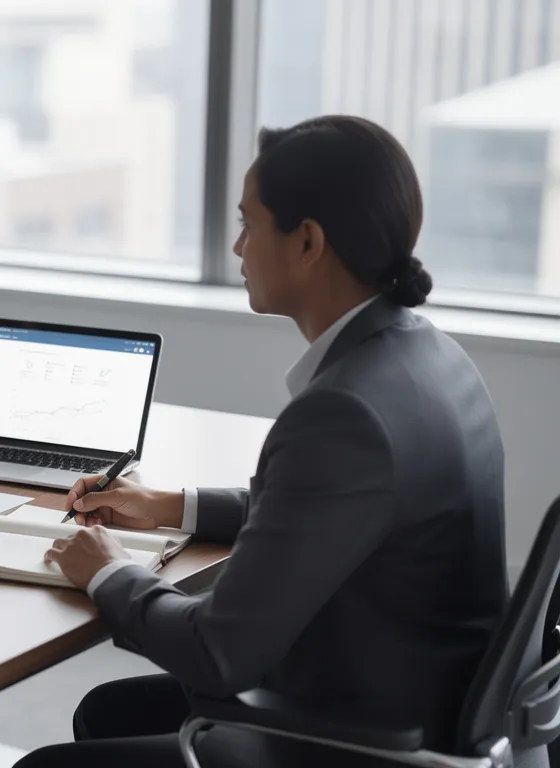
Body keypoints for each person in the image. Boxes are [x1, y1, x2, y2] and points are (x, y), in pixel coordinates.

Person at [27, 115, 519, 767]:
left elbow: (216, 652)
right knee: (109, 712)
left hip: (363, 744)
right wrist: (168, 505)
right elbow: (323, 512)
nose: (237, 248)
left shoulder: (344, 411)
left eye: (248, 224)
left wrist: (109, 571)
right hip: (423, 707)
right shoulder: (431, 356)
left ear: (307, 242)